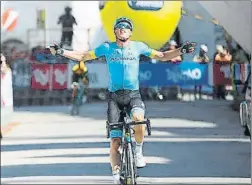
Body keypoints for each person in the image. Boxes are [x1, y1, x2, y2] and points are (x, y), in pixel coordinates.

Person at [49, 17, 196, 184]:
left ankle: (138, 151)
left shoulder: (138, 46)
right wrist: (61, 51)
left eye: (126, 27)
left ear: (131, 31)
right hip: (114, 98)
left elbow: (162, 55)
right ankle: (115, 173)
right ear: (115, 31)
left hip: (133, 95)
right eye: (119, 27)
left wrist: (182, 50)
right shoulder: (107, 47)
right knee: (115, 142)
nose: (123, 29)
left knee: (139, 120)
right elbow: (83, 56)